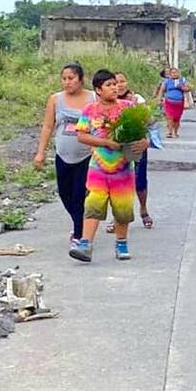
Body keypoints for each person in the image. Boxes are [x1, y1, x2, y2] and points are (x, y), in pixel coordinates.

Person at [69, 69, 149, 262]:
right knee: (93, 203)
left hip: (123, 168)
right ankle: (86, 244)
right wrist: (105, 142)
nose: (115, 88)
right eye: (109, 85)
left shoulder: (128, 107)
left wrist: (144, 143)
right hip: (98, 167)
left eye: (115, 84)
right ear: (98, 90)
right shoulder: (90, 110)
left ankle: (121, 243)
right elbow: (81, 135)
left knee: (122, 207)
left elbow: (143, 133)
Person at [33, 63, 96, 247]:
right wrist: (40, 152)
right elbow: (48, 126)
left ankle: (79, 234)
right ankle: (79, 222)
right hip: (63, 154)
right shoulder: (55, 99)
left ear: (81, 80)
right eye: (64, 79)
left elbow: (101, 123)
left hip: (86, 155)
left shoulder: (93, 98)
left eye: (71, 78)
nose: (67, 82)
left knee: (79, 194)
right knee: (64, 193)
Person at [105, 72, 154, 233]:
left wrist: (136, 108)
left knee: (139, 180)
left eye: (122, 81)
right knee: (117, 183)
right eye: (115, 83)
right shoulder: (107, 103)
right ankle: (117, 217)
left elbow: (149, 122)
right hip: (115, 147)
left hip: (136, 146)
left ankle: (143, 209)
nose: (119, 85)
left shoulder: (137, 99)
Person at [160, 67, 190, 138]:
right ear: (170, 74)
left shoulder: (183, 80)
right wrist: (159, 98)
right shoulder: (167, 81)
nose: (174, 74)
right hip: (169, 101)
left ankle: (175, 132)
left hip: (179, 102)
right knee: (169, 117)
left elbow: (188, 89)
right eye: (172, 73)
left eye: (175, 72)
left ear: (178, 73)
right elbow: (162, 90)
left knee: (177, 118)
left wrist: (181, 87)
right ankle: (170, 132)